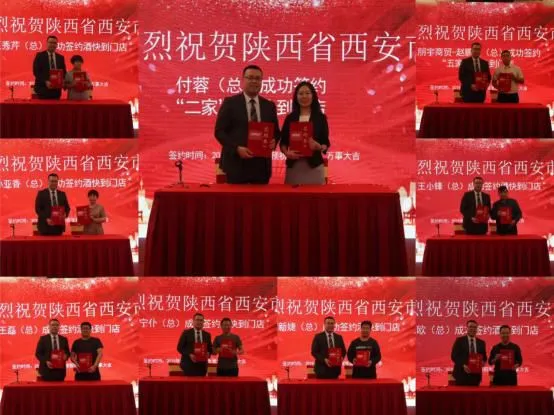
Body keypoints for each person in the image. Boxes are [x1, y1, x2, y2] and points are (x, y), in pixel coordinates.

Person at [214, 65, 280, 184]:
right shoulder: (230, 103)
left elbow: (276, 132)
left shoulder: (269, 106)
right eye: (250, 78)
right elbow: (219, 132)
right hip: (236, 164)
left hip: (261, 166)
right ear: (243, 80)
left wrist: (274, 141)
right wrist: (236, 148)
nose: (254, 81)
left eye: (258, 78)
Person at [280, 81, 330, 185]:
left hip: (315, 166)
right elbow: (283, 142)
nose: (304, 96)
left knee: (315, 195)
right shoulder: (290, 118)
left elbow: (325, 142)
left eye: (307, 93)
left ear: (313, 96)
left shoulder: (320, 118)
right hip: (294, 166)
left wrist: (319, 147)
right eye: (301, 93)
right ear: (296, 97)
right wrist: (286, 153)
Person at [451, 320, 487, 386]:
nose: (472, 329)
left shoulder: (481, 343)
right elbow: (454, 356)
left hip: (476, 376)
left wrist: (483, 362)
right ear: (467, 328)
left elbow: (484, 357)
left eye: (474, 327)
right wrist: (463, 365)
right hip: (461, 374)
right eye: (470, 327)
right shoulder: (459, 340)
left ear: (477, 329)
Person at [33, 35, 67, 100]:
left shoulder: (60, 57)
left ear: (56, 45)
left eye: (54, 43)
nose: (52, 44)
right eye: (50, 42)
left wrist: (63, 81)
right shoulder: (40, 56)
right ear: (47, 43)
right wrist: (45, 81)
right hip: (42, 90)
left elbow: (64, 72)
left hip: (56, 91)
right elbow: (36, 72)